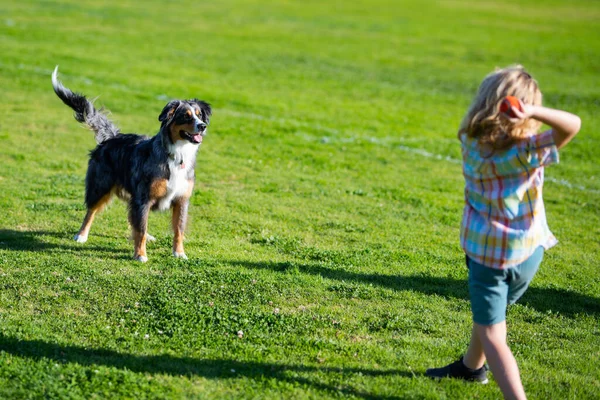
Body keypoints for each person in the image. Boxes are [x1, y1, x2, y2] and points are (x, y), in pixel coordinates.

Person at [426, 65, 581, 399]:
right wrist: (534, 111)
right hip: (528, 254)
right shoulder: (529, 151)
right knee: (490, 316)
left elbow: (479, 128)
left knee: (494, 331)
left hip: (487, 258)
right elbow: (573, 124)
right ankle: (471, 367)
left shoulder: (469, 141)